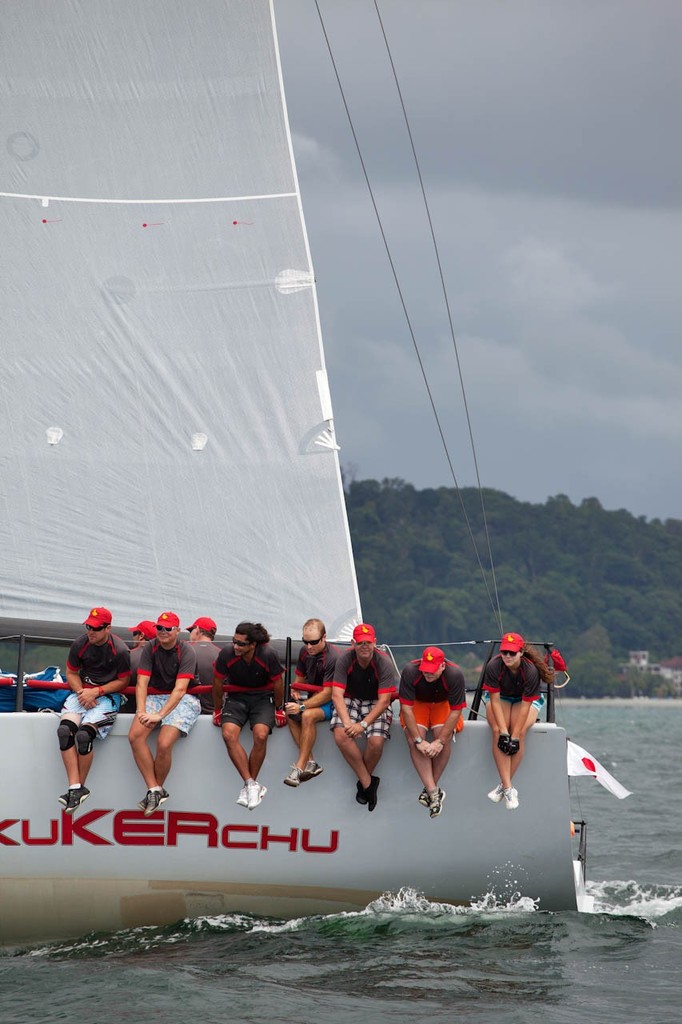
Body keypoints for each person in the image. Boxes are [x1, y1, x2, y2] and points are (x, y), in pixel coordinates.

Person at [57, 606, 131, 813]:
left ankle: (79, 786)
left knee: (83, 736)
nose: (91, 631)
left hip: (107, 695)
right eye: (89, 626)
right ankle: (75, 788)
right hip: (82, 693)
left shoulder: (121, 650)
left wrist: (97, 692)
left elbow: (124, 681)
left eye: (96, 628)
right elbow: (71, 672)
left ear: (108, 628)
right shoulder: (80, 644)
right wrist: (82, 692)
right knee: (64, 731)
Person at [128, 611, 200, 815]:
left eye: (168, 628)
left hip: (183, 697)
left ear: (177, 630)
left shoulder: (187, 651)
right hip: (156, 696)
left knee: (164, 742)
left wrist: (159, 715)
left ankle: (155, 791)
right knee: (134, 736)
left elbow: (180, 690)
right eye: (159, 627)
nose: (163, 631)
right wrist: (141, 710)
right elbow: (142, 682)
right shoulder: (150, 646)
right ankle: (154, 790)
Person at [212, 622, 284, 810]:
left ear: (253, 645)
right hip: (236, 697)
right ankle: (251, 784)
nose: (236, 646)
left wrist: (279, 708)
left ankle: (250, 785)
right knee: (228, 734)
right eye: (234, 642)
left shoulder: (268, 655)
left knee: (260, 735)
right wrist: (218, 709)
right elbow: (217, 681)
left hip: (262, 698)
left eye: (241, 644)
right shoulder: (226, 653)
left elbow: (278, 683)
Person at [483, 631, 555, 810]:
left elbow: (525, 706)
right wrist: (504, 732)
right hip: (501, 699)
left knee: (519, 732)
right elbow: (494, 700)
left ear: (521, 653)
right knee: (498, 732)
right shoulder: (494, 666)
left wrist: (513, 736)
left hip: (525, 701)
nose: (507, 656)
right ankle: (508, 788)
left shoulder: (530, 671)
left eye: (512, 653)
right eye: (504, 652)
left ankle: (502, 787)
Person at [331, 623, 398, 812]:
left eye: (368, 643)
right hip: (351, 699)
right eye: (360, 643)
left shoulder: (383, 662)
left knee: (376, 742)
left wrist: (362, 724)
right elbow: (337, 695)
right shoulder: (345, 659)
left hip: (376, 701)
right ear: (353, 643)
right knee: (341, 735)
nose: (364, 647)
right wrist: (347, 724)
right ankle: (369, 784)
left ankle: (363, 785)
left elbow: (385, 701)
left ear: (375, 642)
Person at [399, 646, 466, 818]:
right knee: (414, 738)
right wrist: (418, 741)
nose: (427, 674)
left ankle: (429, 789)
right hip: (418, 703)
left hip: (443, 704)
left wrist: (440, 741)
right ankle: (433, 792)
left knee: (443, 735)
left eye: (432, 671)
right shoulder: (410, 671)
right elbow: (406, 709)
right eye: (425, 670)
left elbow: (456, 711)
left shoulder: (455, 674)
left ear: (443, 666)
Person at [282, 618, 339, 787]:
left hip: (334, 701)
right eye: (305, 642)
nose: (309, 647)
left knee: (307, 715)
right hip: (315, 698)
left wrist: (302, 705)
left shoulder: (333, 657)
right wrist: (296, 692)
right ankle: (311, 762)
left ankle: (298, 769)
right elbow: (299, 679)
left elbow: (329, 694)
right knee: (290, 713)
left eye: (313, 642)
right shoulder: (304, 652)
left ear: (324, 638)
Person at [186, 616, 221, 714]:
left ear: (197, 630)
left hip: (186, 711)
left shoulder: (185, 651)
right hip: (215, 711)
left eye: (191, 631)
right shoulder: (222, 654)